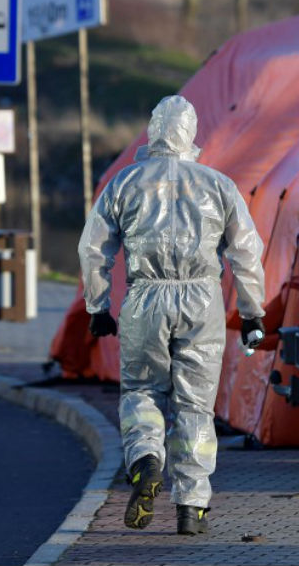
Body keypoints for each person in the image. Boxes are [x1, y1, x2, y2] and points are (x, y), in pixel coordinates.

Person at [78, 94, 266, 536]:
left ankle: (146, 458)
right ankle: (191, 506)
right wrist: (253, 312)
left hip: (145, 299)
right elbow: (246, 252)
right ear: (191, 132)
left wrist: (97, 305)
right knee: (195, 405)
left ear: (152, 130)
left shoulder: (125, 183)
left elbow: (93, 248)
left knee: (142, 390)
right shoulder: (217, 185)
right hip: (202, 301)